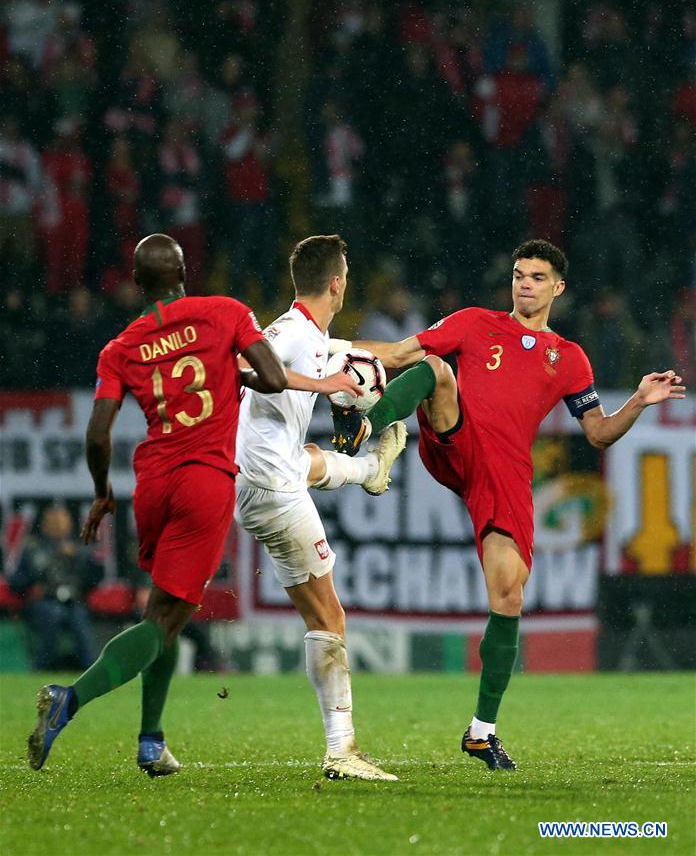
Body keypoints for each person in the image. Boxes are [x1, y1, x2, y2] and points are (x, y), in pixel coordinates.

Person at [330, 238, 686, 770]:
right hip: (456, 443)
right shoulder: (475, 323)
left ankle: (481, 731)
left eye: (538, 277)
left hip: (504, 477)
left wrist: (636, 400)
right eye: (520, 274)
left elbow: (599, 434)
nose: (525, 283)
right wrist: (326, 345)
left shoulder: (569, 358)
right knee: (438, 370)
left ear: (558, 288)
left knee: (509, 595)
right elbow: (400, 352)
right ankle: (367, 425)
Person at [27, 233, 360, 775]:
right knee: (165, 620)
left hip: (151, 481)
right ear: (185, 272)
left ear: (138, 284)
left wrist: (100, 493)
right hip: (203, 480)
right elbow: (273, 379)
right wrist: (246, 375)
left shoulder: (121, 346)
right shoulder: (223, 312)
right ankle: (71, 698)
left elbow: (97, 434)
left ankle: (152, 741)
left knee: (165, 609)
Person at [235, 235, 407, 782]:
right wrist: (326, 383)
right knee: (330, 617)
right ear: (338, 281)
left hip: (264, 478)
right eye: (348, 273)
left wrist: (393, 357)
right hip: (271, 491)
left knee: (312, 456)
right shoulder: (289, 335)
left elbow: (347, 351)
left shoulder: (310, 333)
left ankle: (370, 469)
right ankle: (343, 751)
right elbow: (243, 365)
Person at [10, 505, 102, 671]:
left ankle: (89, 669)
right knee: (53, 613)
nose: (58, 526)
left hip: (73, 602)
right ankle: (44, 667)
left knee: (79, 618)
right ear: (44, 525)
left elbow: (95, 579)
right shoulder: (33, 548)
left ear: (69, 525)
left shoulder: (79, 548)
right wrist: (35, 576)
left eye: (62, 522)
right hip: (43, 602)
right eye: (54, 522)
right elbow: (16, 583)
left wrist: (80, 558)